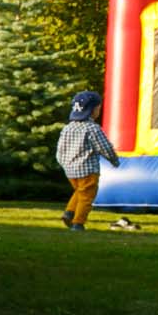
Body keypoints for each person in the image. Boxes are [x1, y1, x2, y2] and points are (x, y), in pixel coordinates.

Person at [56, 90, 119, 230]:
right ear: (92, 110)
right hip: (88, 170)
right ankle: (78, 223)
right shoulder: (92, 128)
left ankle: (69, 213)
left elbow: (59, 150)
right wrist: (114, 160)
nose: (99, 111)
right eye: (98, 108)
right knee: (86, 197)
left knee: (80, 191)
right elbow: (105, 147)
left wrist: (64, 164)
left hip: (70, 170)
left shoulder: (67, 128)